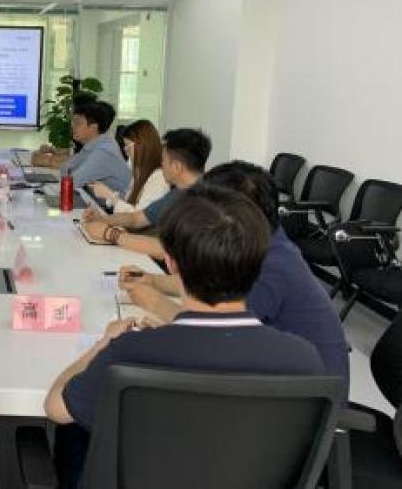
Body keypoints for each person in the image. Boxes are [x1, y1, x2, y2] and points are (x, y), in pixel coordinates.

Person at [44, 185, 326, 488]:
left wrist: (103, 345)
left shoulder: (130, 352)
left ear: (170, 262)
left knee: (75, 430)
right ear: (258, 267)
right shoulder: (303, 358)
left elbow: (56, 408)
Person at [119, 161, 350, 399]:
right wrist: (154, 281)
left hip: (299, 403)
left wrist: (155, 302)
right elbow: (211, 301)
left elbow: (215, 333)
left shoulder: (268, 267)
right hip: (278, 385)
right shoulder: (265, 245)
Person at [81, 128, 211, 259]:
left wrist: (109, 234)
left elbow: (167, 250)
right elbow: (136, 219)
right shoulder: (177, 193)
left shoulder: (204, 201)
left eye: (164, 160)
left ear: (177, 167)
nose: (162, 164)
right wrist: (101, 220)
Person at [90, 119, 169, 213]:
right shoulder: (140, 172)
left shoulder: (159, 177)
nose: (126, 151)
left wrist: (110, 195)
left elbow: (139, 216)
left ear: (142, 145)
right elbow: (129, 203)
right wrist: (107, 194)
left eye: (128, 145)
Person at [32, 92, 99, 164]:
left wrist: (48, 160)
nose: (72, 126)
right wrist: (53, 150)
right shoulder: (87, 142)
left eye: (77, 122)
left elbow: (79, 164)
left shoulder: (101, 149)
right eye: (72, 121)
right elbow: (76, 154)